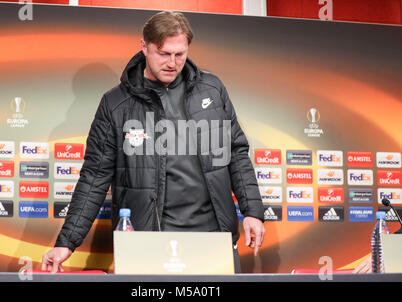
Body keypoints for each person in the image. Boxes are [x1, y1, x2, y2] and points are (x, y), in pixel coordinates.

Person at [42, 11, 265, 274]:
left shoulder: (212, 90)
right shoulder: (116, 105)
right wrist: (66, 242)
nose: (172, 62)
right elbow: (95, 177)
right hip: (148, 244)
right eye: (164, 53)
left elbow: (236, 153)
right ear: (144, 47)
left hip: (213, 239)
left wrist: (252, 210)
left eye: (180, 54)